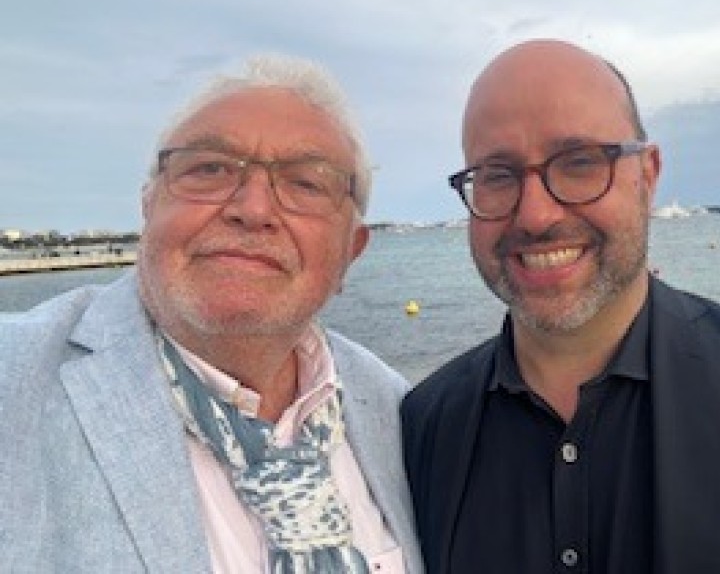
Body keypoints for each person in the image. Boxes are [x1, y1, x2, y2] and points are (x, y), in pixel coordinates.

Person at [401, 39, 720, 573]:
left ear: (647, 176)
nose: (535, 215)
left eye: (579, 163)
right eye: (497, 174)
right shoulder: (423, 428)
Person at [0, 55, 424, 573]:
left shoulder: (397, 409)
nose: (253, 209)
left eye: (306, 183)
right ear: (149, 207)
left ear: (349, 252)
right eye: (210, 169)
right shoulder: (16, 377)